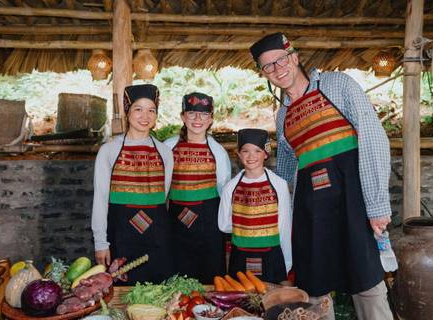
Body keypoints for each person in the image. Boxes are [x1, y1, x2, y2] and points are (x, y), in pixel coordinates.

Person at [250, 33, 393, 319]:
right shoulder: (283, 115)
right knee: (314, 282)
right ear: (264, 74)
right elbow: (289, 167)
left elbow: (374, 139)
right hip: (312, 209)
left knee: (366, 280)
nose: (277, 70)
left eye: (281, 60)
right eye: (268, 67)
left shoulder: (336, 85)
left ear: (294, 57)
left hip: (352, 200)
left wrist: (377, 205)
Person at [91, 84, 174, 284]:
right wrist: (101, 242)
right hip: (120, 237)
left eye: (151, 110)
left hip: (156, 239)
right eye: (138, 109)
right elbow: (101, 199)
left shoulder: (165, 152)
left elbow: (163, 197)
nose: (145, 116)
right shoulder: (109, 151)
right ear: (127, 112)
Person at [164, 92, 231, 283]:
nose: (197, 119)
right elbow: (162, 189)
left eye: (203, 115)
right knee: (178, 273)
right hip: (176, 220)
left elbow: (224, 191)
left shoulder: (218, 151)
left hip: (209, 222)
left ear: (210, 120)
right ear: (183, 117)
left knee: (210, 274)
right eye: (192, 113)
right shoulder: (169, 147)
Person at [218, 128, 292, 283]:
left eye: (257, 151)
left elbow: (284, 225)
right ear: (238, 154)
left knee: (273, 301)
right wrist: (252, 226)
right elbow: (223, 225)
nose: (251, 156)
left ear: (266, 154)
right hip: (240, 256)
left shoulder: (279, 185)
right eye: (245, 151)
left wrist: (287, 262)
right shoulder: (230, 187)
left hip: (271, 256)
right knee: (241, 301)